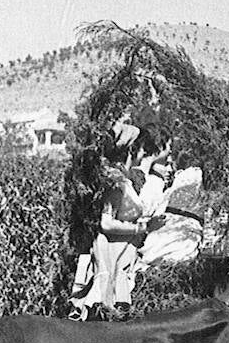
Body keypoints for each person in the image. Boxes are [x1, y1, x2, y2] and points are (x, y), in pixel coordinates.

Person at [69, 121, 170, 320]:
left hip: (123, 251)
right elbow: (106, 223)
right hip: (112, 251)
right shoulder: (116, 182)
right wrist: (143, 227)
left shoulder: (122, 179)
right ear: (134, 151)